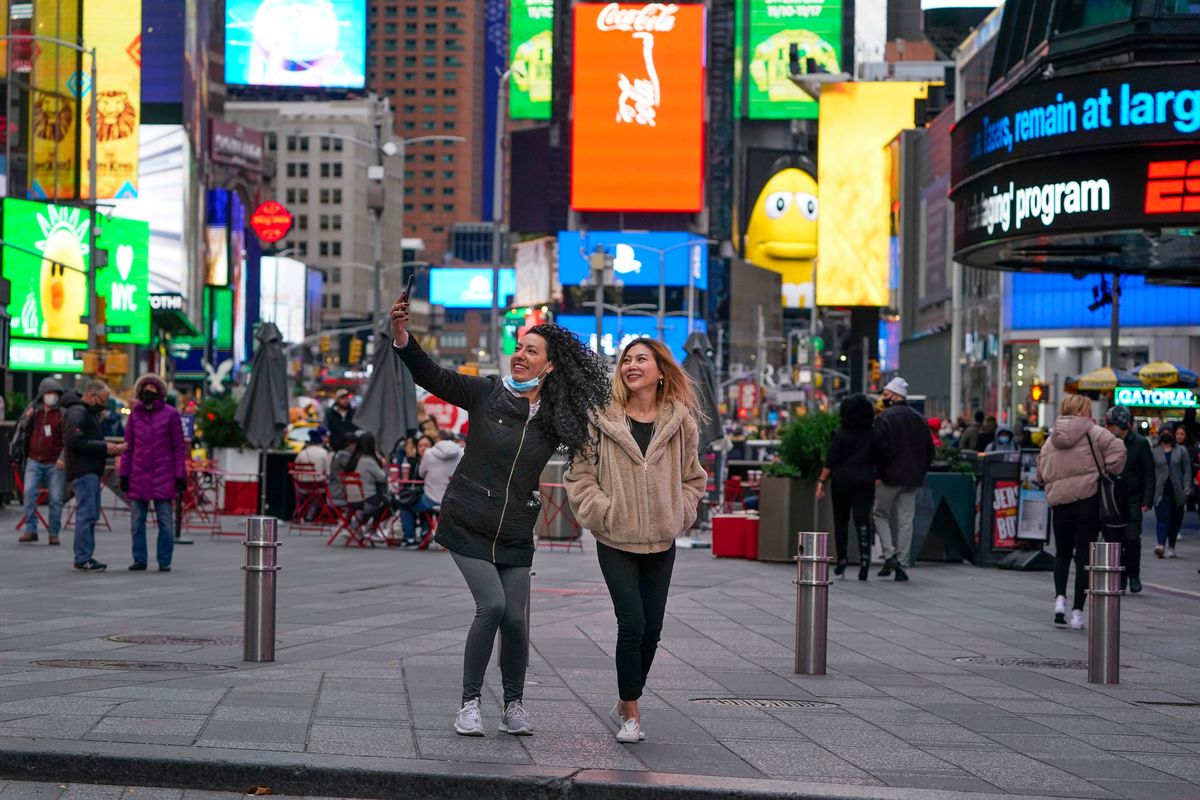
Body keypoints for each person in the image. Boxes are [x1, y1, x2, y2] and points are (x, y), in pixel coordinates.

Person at [390, 290, 609, 738]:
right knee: (491, 605)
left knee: (516, 617)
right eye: (519, 348)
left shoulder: (558, 417)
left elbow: (607, 433)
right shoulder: (487, 392)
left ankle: (513, 706)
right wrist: (401, 337)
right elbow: (432, 375)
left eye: (531, 351)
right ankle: (469, 705)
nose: (520, 356)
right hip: (467, 519)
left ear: (550, 365)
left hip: (513, 531)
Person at [564, 338, 707, 744]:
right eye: (626, 359)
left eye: (641, 359)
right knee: (632, 623)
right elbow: (579, 475)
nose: (630, 365)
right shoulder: (601, 419)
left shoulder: (681, 423)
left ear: (661, 371)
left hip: (662, 539)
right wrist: (601, 510)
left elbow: (693, 478)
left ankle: (626, 697)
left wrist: (680, 510)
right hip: (615, 537)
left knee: (653, 629)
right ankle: (631, 710)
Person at [1036, 394, 1125, 629]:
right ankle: (1077, 613)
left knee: (1062, 553)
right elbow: (1119, 450)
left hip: (1061, 506)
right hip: (1088, 502)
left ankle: (1059, 601)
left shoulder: (1052, 438)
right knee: (1084, 558)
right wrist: (1107, 468)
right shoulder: (1094, 432)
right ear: (1085, 410)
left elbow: (1040, 472)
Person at [118, 374, 187, 572]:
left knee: (165, 521)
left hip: (163, 475)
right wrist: (124, 473)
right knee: (136, 522)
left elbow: (178, 447)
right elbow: (128, 446)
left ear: (160, 392)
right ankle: (139, 559)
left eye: (153, 389)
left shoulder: (171, 415)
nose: (149, 392)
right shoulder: (135, 414)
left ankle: (164, 560)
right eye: (145, 389)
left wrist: (179, 474)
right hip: (138, 475)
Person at [816, 394, 885, 581]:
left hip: (842, 479)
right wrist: (877, 475)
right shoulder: (873, 433)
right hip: (865, 478)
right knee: (863, 520)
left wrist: (821, 481)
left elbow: (831, 459)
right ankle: (864, 560)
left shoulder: (840, 433)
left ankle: (842, 560)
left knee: (841, 521)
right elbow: (882, 455)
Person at [872, 377, 934, 582]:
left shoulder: (884, 418)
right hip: (912, 477)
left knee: (880, 514)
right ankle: (902, 560)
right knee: (906, 520)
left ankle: (890, 555)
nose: (884, 399)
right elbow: (929, 451)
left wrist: (878, 474)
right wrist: (920, 471)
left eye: (887, 395)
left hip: (889, 477)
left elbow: (879, 449)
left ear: (895, 395)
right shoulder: (920, 419)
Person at [64, 380, 125, 572]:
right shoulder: (78, 413)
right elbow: (76, 442)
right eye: (104, 399)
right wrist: (105, 447)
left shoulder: (86, 413)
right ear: (91, 395)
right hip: (84, 471)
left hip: (88, 470)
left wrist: (109, 448)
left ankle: (85, 556)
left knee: (89, 514)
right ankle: (83, 557)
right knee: (86, 514)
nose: (105, 404)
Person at [1104, 406, 1154, 594]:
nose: (1108, 428)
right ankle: (1122, 576)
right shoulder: (1108, 442)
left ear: (1121, 425)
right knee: (1115, 540)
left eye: (1111, 424)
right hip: (1113, 498)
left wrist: (1147, 499)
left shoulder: (1140, 444)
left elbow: (1149, 473)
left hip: (1133, 498)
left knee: (1131, 538)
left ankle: (1134, 573)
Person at [12, 378, 67, 545]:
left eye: (55, 393)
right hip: (34, 460)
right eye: (49, 393)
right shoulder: (33, 410)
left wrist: (62, 458)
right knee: (28, 493)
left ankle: (53, 532)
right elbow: (20, 428)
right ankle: (31, 529)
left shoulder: (62, 414)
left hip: (54, 463)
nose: (52, 396)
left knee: (56, 499)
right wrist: (27, 418)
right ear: (42, 395)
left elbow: (68, 439)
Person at [398, 431, 462, 547]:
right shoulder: (461, 452)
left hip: (432, 499)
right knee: (420, 500)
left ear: (437, 439)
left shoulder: (429, 453)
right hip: (453, 501)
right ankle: (424, 532)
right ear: (452, 439)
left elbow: (421, 473)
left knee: (405, 503)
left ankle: (410, 538)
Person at [1152, 424, 1191, 559]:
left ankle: (1172, 546)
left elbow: (1187, 471)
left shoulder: (1181, 451)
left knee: (1175, 519)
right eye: (1164, 431)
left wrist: (1186, 488)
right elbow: (1151, 472)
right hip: (1161, 491)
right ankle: (1160, 544)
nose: (1167, 433)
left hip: (1177, 490)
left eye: (1169, 431)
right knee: (1163, 517)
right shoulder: (1155, 451)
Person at [294, 426, 332, 520]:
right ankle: (311, 515)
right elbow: (328, 472)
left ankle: (298, 512)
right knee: (317, 493)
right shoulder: (324, 453)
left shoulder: (302, 453)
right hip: (317, 485)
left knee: (303, 494)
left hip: (301, 485)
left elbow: (295, 469)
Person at [328, 433, 357, 510]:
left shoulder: (338, 454)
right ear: (351, 444)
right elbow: (354, 469)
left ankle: (350, 519)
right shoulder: (344, 456)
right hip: (339, 493)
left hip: (333, 491)